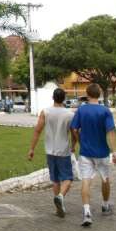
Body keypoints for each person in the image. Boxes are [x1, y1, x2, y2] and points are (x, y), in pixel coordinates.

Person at [71, 83, 116, 227]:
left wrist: (80, 141)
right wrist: (114, 151)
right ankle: (105, 205)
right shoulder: (105, 111)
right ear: (100, 94)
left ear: (87, 94)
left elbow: (73, 128)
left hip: (85, 152)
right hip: (102, 152)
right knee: (105, 178)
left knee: (86, 180)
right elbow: (110, 132)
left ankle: (87, 212)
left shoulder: (81, 110)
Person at [27, 88, 76, 217]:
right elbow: (74, 133)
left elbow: (37, 131)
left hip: (49, 151)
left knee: (55, 180)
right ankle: (60, 197)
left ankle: (58, 208)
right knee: (68, 179)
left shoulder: (45, 112)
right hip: (63, 151)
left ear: (52, 97)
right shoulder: (69, 114)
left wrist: (32, 149)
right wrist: (75, 145)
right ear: (64, 98)